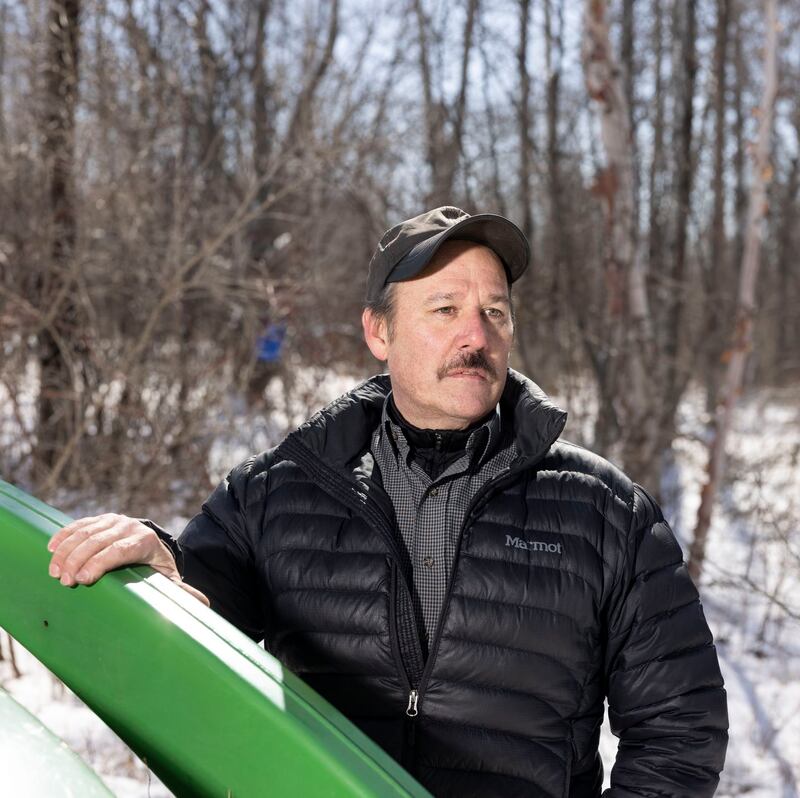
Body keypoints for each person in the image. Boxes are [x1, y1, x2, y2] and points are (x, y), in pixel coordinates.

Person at [48, 206, 728, 797]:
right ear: (379, 332)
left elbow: (680, 726)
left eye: (494, 312)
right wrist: (154, 565)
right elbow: (192, 613)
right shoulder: (277, 492)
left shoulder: (605, 512)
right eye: (445, 310)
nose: (476, 336)